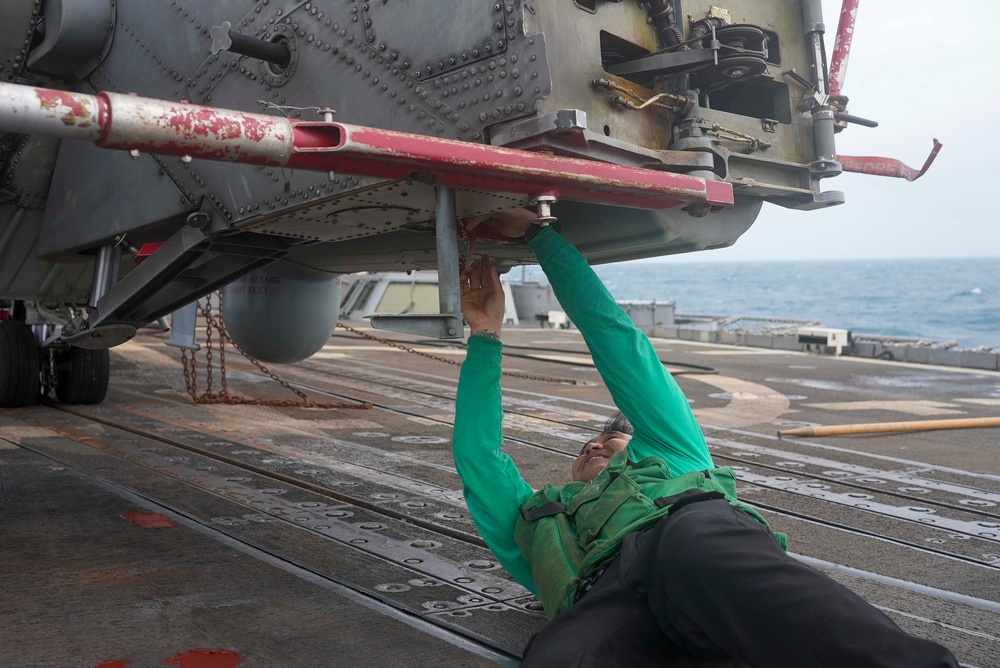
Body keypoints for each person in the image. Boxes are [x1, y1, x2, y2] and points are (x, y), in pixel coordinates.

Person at [451, 208, 959, 668]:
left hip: (685, 535)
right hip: (602, 597)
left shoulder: (672, 449)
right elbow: (479, 456)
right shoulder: (533, 517)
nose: (594, 445)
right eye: (589, 446)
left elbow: (618, 342)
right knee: (557, 655)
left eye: (611, 442)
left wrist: (543, 237)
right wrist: (485, 336)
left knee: (723, 565)